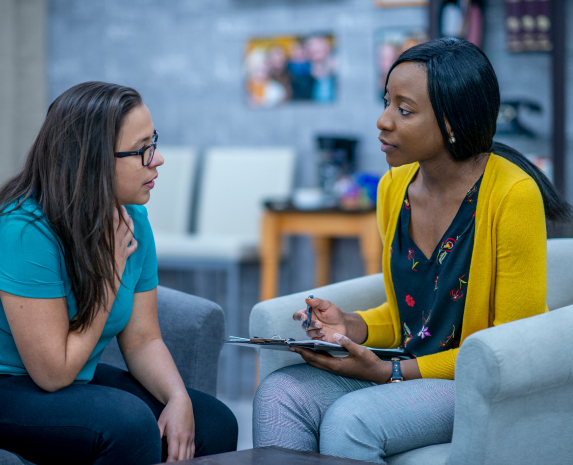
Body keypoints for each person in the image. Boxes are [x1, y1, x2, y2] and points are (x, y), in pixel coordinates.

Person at [253, 38, 572, 463]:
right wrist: (349, 326)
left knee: (352, 419)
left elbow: (508, 351)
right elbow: (410, 315)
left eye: (404, 110)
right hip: (406, 366)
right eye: (387, 102)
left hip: (468, 384)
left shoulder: (513, 195)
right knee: (281, 394)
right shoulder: (393, 187)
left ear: (453, 122)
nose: (383, 121)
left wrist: (392, 372)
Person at [0, 82, 238, 464]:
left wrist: (178, 398)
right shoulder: (25, 232)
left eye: (153, 142)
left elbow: (143, 339)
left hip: (78, 376)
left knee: (214, 421)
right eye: (142, 149)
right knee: (128, 425)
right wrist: (110, 271)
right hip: (14, 383)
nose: (157, 159)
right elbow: (53, 373)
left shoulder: (133, 219)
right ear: (90, 159)